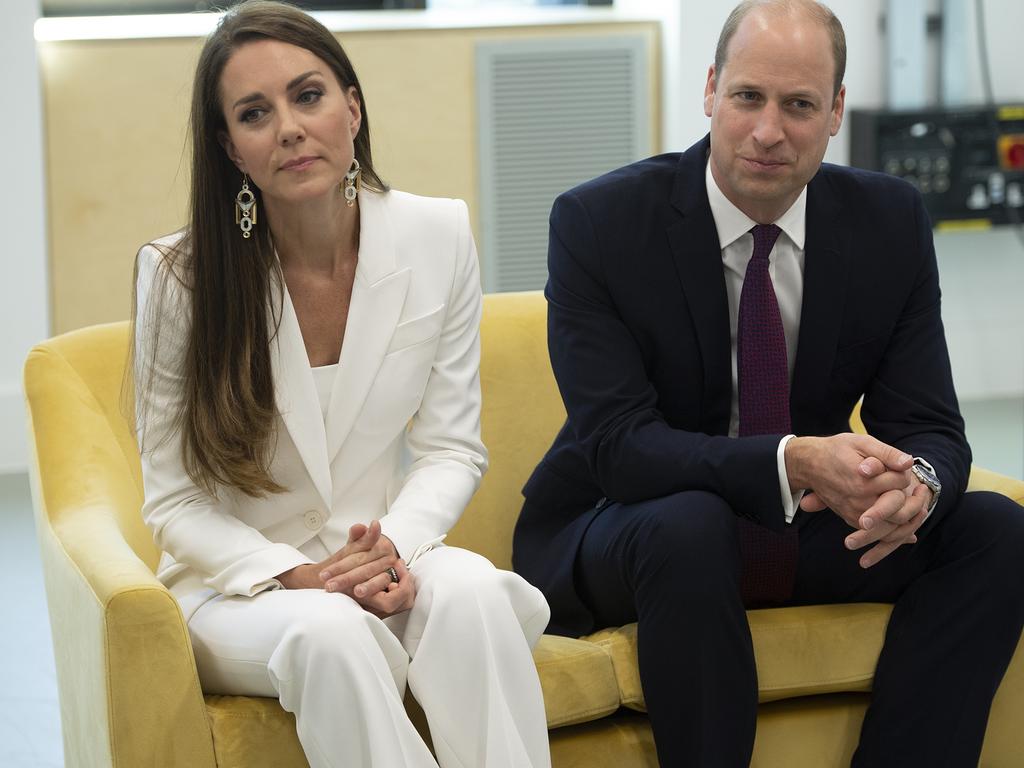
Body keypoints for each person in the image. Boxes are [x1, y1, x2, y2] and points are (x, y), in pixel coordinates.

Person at [512, 0, 1024, 765]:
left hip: (791, 526)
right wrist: (790, 460)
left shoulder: (888, 221)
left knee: (997, 531)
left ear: (836, 113)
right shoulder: (600, 223)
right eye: (748, 96)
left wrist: (917, 483)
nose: (767, 131)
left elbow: (930, 425)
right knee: (690, 525)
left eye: (799, 105)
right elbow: (621, 448)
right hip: (623, 524)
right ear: (711, 89)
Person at [132, 3, 552, 767]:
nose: (290, 127)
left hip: (383, 551)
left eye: (309, 95)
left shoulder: (438, 234)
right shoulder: (179, 280)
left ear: (352, 108)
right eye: (255, 113)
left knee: (476, 596)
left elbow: (452, 449)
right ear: (230, 147)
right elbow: (174, 501)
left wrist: (392, 548)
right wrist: (297, 576)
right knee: (332, 634)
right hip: (244, 592)